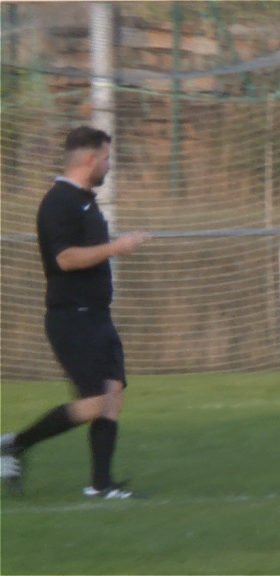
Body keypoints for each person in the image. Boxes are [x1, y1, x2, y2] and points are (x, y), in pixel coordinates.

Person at [1, 126, 149, 499]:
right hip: (72, 316)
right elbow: (65, 259)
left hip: (97, 314)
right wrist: (117, 248)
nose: (109, 164)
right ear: (89, 159)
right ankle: (15, 443)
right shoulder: (58, 203)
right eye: (106, 157)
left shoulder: (86, 200)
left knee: (113, 393)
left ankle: (101, 484)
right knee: (96, 400)